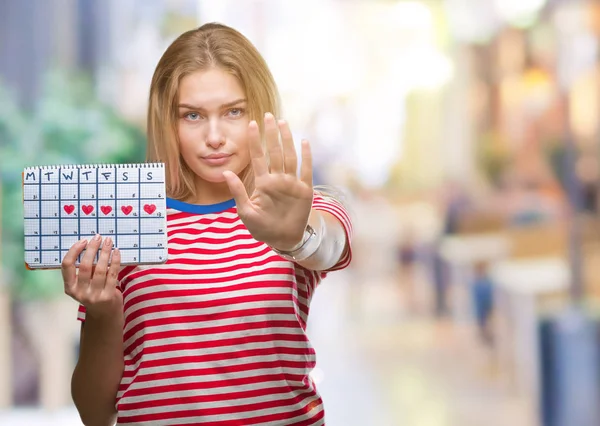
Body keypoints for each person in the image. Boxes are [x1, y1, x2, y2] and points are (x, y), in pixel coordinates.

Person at [60, 23, 352, 426]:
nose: (214, 136)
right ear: (169, 121)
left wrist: (297, 237)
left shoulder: (297, 210)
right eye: (193, 115)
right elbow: (95, 414)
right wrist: (103, 311)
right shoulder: (129, 222)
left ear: (260, 111)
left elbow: (331, 245)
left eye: (234, 111)